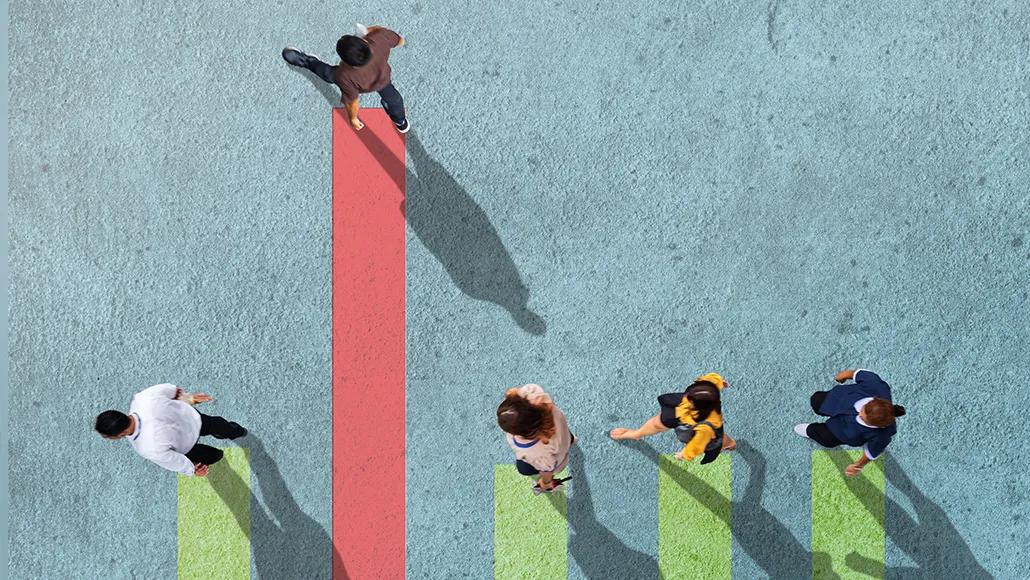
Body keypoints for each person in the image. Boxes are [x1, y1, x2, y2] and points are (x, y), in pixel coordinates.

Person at [95, 383, 247, 477]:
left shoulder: (146, 448)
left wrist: (192, 469)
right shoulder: (142, 398)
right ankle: (234, 431)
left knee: (212, 456)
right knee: (220, 425)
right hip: (193, 418)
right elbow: (172, 391)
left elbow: (175, 461)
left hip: (186, 447)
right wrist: (190, 398)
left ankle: (219, 455)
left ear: (120, 434)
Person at [282, 25, 410, 133]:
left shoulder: (344, 75)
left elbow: (352, 102)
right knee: (395, 100)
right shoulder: (380, 38)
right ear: (364, 42)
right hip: (383, 80)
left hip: (357, 83)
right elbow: (400, 41)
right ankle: (400, 121)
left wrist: (353, 118)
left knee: (328, 74)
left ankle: (307, 61)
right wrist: (369, 32)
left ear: (345, 61)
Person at [794, 368, 906, 477]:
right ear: (875, 399)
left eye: (863, 418)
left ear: (880, 426)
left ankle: (809, 430)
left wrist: (858, 465)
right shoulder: (877, 386)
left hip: (840, 432)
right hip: (835, 400)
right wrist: (845, 375)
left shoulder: (883, 436)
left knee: (825, 439)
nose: (859, 414)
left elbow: (871, 453)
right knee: (816, 400)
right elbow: (858, 373)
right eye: (863, 409)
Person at [609, 372, 736, 464]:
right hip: (687, 416)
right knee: (659, 421)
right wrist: (720, 381)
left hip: (694, 425)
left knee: (717, 439)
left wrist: (684, 454)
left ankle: (729, 444)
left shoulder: (705, 428)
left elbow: (696, 445)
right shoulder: (706, 393)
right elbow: (710, 380)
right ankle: (637, 433)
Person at [497, 384, 575, 492]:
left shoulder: (535, 452)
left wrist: (545, 482)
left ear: (524, 432)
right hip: (563, 434)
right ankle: (572, 440)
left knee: (523, 469)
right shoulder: (538, 400)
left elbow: (547, 470)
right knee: (565, 438)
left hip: (557, 456)